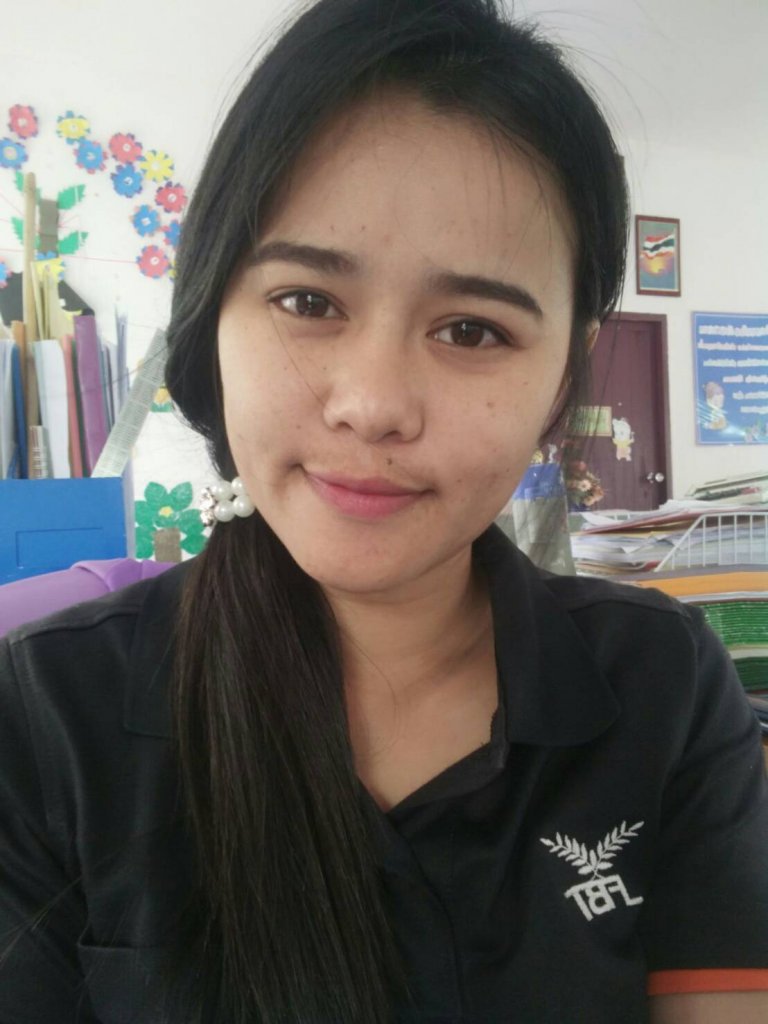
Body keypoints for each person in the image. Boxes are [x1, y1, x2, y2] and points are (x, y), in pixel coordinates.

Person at [1, 0, 767, 1021]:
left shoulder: (665, 686)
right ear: (211, 312)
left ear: (561, 377)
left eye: (472, 329)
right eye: (308, 302)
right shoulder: (47, 715)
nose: (372, 405)